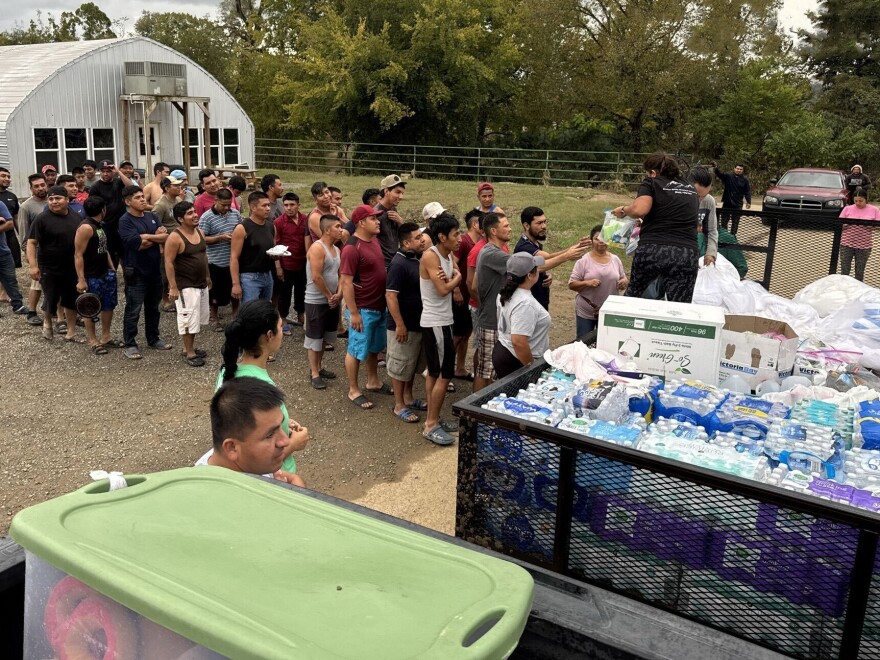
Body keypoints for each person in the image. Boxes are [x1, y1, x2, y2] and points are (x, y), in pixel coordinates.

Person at [217, 301, 308, 486]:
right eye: (280, 327)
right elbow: (255, 454)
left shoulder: (226, 372)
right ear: (269, 336)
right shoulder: (261, 387)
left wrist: (281, 422)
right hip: (274, 478)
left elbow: (245, 425)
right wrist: (295, 443)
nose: (282, 333)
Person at [612, 152, 700, 303]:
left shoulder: (652, 182)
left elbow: (640, 209)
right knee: (679, 307)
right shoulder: (690, 188)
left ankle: (627, 324)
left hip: (653, 250)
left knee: (634, 298)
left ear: (653, 172)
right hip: (686, 254)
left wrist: (623, 210)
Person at [201, 377, 301, 485]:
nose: (286, 441)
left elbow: (293, 478)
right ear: (232, 447)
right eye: (270, 434)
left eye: (281, 425)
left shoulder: (248, 464)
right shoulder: (215, 496)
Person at [419, 212, 462, 446]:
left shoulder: (447, 254)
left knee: (435, 373)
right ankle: (430, 425)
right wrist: (458, 277)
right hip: (436, 323)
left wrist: (452, 276)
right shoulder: (430, 257)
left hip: (443, 321)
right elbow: (444, 289)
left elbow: (450, 276)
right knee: (445, 375)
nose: (460, 238)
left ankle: (432, 417)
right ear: (442, 236)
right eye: (456, 234)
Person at [340, 204, 387, 409]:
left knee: (374, 347)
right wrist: (354, 312)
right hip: (363, 308)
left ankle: (373, 381)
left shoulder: (374, 240)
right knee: (356, 349)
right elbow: (346, 282)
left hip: (379, 305)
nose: (378, 222)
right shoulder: (351, 248)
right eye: (373, 219)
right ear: (361, 223)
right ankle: (353, 389)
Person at [118, 185, 171, 359]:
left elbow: (165, 237)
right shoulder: (125, 221)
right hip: (136, 272)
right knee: (133, 309)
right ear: (128, 201)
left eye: (143, 196)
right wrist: (153, 237)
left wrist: (148, 237)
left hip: (154, 271)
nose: (142, 200)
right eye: (137, 198)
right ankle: (130, 343)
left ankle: (153, 338)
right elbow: (137, 245)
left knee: (153, 308)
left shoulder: (152, 216)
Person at [26, 186, 82, 341]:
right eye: (51, 199)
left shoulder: (76, 218)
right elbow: (31, 243)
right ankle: (48, 322)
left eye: (58, 198)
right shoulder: (41, 218)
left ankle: (71, 332)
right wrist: (33, 266)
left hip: (71, 266)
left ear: (67, 200)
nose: (54, 202)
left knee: (71, 299)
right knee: (51, 298)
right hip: (49, 266)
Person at [385, 222, 427, 422]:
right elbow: (391, 296)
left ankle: (409, 398)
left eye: (421, 236)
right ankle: (399, 404)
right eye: (418, 238)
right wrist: (399, 324)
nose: (422, 240)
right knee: (400, 365)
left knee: (411, 364)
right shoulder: (398, 264)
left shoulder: (416, 259)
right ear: (406, 242)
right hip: (402, 326)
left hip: (418, 323)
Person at [515, 206, 590, 310]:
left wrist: (544, 274)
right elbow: (545, 261)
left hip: (538, 300)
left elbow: (543, 261)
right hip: (530, 304)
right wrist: (567, 255)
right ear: (526, 226)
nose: (544, 226)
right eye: (539, 223)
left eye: (544, 222)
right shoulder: (524, 247)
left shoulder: (534, 243)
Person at [166, 201, 211, 367]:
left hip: (200, 283)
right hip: (185, 285)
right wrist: (173, 287)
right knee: (187, 317)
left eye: (194, 212)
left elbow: (203, 255)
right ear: (180, 218)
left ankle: (190, 347)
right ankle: (189, 352)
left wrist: (207, 275)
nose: (195, 215)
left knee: (196, 317)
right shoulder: (175, 237)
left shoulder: (200, 232)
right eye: (190, 213)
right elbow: (168, 262)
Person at [493, 253, 552, 378]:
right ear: (530, 275)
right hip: (516, 360)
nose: (538, 271)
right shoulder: (525, 303)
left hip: (504, 349)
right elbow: (518, 341)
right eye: (536, 269)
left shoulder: (505, 291)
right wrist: (531, 367)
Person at [74, 196, 120, 353]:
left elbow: (103, 247)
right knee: (90, 307)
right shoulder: (86, 228)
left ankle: (106, 336)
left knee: (109, 305)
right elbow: (78, 254)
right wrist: (81, 279)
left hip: (105, 273)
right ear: (103, 210)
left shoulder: (99, 225)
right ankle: (93, 340)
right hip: (91, 275)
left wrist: (111, 267)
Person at [304, 214, 343, 389]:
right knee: (314, 337)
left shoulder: (337, 249)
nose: (341, 230)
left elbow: (341, 274)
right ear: (327, 230)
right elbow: (316, 276)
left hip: (332, 300)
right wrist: (329, 295)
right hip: (317, 300)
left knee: (326, 337)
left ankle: (319, 367)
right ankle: (314, 373)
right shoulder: (317, 248)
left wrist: (339, 294)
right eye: (337, 227)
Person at [568, 225, 628, 337]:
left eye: (604, 238)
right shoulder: (583, 261)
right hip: (587, 310)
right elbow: (572, 285)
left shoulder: (615, 259)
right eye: (597, 239)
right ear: (591, 241)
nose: (601, 241)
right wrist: (587, 283)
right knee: (584, 343)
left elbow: (623, 278)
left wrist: (624, 281)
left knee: (607, 342)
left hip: (609, 311)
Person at [200, 188, 241, 331]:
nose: (226, 207)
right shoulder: (206, 217)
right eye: (223, 204)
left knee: (235, 289)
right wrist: (220, 237)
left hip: (232, 259)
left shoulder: (235, 213)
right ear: (215, 200)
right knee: (215, 292)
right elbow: (201, 239)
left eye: (229, 204)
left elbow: (240, 230)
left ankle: (236, 315)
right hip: (215, 261)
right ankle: (215, 317)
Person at [231, 191, 277, 303]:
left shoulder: (271, 226)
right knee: (250, 312)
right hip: (249, 277)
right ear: (253, 207)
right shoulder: (242, 228)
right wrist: (236, 284)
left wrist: (276, 256)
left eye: (268, 205)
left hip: (268, 274)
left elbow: (273, 249)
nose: (268, 209)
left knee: (264, 310)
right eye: (264, 205)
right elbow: (234, 257)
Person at [87, 159, 134, 268]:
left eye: (108, 171)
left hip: (122, 224)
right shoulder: (96, 187)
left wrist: (119, 172)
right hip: (106, 227)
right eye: (103, 171)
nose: (105, 173)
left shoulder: (118, 181)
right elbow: (91, 207)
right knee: (109, 257)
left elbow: (131, 188)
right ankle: (111, 278)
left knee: (126, 255)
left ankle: (128, 279)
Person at [273, 192, 309, 334]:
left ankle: (301, 314)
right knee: (285, 293)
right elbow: (275, 245)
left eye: (292, 205)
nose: (289, 208)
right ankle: (283, 318)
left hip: (303, 263)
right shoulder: (279, 222)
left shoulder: (306, 219)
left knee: (301, 291)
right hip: (286, 264)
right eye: (286, 205)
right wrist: (278, 267)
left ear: (298, 205)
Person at [453, 209, 482, 380]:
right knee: (457, 335)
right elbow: (452, 263)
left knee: (466, 333)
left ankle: (460, 368)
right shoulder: (464, 242)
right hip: (461, 296)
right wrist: (456, 290)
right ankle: (445, 371)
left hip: (470, 297)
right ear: (474, 224)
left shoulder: (477, 242)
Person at [19, 174, 50, 325]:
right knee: (37, 283)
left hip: (54, 249)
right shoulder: (26, 206)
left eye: (42, 185)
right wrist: (29, 257)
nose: (40, 188)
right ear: (31, 188)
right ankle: (32, 311)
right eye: (36, 186)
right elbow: (24, 234)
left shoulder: (53, 200)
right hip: (37, 250)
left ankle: (58, 312)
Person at [838, 187, 880, 282]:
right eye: (855, 201)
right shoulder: (847, 208)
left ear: (866, 199)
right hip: (846, 244)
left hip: (864, 246)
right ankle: (843, 289)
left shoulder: (874, 210)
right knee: (844, 270)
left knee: (859, 271)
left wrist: (870, 226)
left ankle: (858, 291)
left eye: (860, 201)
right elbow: (839, 225)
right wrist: (847, 223)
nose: (858, 203)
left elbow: (878, 227)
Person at [0, 199, 26, 316]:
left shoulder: (0, 204)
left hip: (2, 251)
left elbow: (9, 224)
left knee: (10, 279)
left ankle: (18, 305)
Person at [375, 174, 407, 267]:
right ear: (386, 191)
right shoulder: (376, 214)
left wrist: (400, 222)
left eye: (402, 193)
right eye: (397, 192)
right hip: (383, 264)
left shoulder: (393, 209)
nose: (401, 197)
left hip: (394, 261)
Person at [712, 161, 751, 228]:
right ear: (734, 169)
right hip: (727, 202)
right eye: (737, 168)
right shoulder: (728, 176)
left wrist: (749, 201)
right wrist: (716, 168)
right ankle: (724, 235)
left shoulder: (745, 180)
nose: (739, 170)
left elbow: (747, 191)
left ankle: (733, 235)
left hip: (738, 203)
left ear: (743, 170)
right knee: (724, 220)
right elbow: (720, 175)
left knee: (735, 221)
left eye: (740, 169)